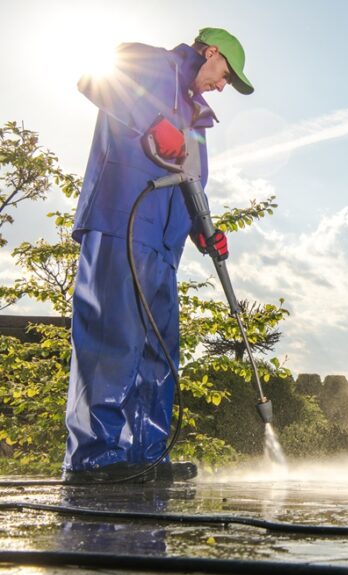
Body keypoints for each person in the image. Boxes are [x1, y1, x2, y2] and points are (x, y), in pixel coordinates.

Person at [63, 28, 254, 483]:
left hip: (164, 246)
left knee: (158, 350)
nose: (223, 86)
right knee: (114, 336)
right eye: (226, 75)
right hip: (119, 220)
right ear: (211, 53)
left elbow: (192, 186)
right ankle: (94, 456)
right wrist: (152, 120)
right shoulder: (147, 62)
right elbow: (94, 79)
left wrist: (204, 232)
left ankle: (145, 453)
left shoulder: (198, 117)